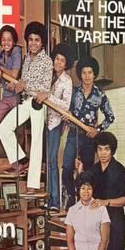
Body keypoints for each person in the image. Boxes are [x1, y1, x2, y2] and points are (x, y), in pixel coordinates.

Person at [0, 21, 53, 196]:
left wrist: (24, 85)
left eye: (37, 40)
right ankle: (21, 161)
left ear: (42, 42)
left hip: (38, 103)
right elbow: (21, 82)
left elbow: (45, 89)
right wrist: (17, 86)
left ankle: (33, 184)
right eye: (30, 39)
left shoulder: (47, 61)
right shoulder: (26, 58)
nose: (33, 43)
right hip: (25, 102)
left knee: (36, 143)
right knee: (3, 127)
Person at [61, 55, 115, 208]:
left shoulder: (100, 95)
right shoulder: (74, 92)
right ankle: (70, 201)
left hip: (89, 139)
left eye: (90, 73)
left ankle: (85, 204)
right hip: (73, 135)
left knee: (87, 174)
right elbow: (66, 111)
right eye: (84, 73)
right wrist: (67, 117)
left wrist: (97, 130)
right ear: (80, 74)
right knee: (66, 169)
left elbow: (110, 117)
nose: (87, 76)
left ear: (94, 74)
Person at [39, 44, 77, 212]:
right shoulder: (48, 74)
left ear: (66, 64)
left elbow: (65, 105)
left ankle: (55, 200)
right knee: (46, 161)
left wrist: (49, 96)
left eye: (62, 60)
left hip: (54, 123)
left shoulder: (67, 81)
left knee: (53, 161)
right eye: (57, 59)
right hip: (42, 120)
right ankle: (49, 197)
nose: (58, 62)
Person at [0, 25, 22, 137]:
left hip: (16, 97)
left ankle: (19, 154)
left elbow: (14, 74)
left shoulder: (16, 50)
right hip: (5, 97)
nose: (6, 42)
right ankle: (9, 150)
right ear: (0, 41)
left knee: (18, 129)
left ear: (14, 41)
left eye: (9, 40)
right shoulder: (0, 54)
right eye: (3, 40)